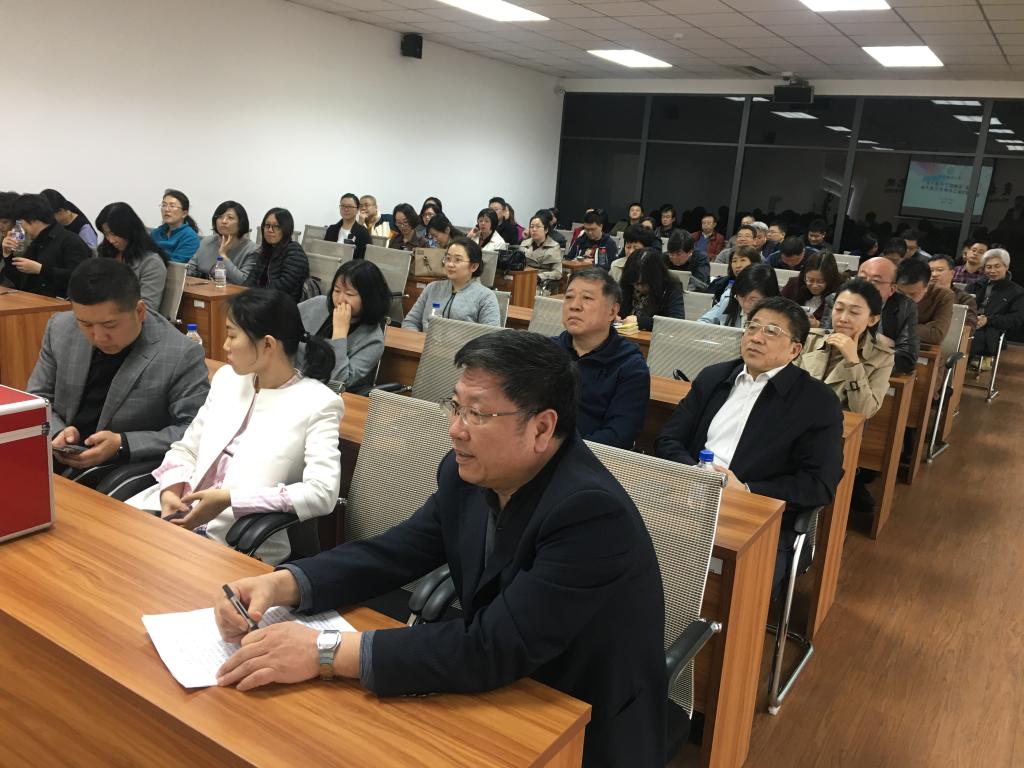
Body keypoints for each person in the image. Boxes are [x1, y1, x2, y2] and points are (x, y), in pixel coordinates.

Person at [213, 330, 667, 765]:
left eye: (477, 414)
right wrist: (283, 583)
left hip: (577, 721)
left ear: (542, 427)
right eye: (455, 406)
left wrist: (323, 652)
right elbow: (395, 552)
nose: (455, 429)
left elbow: (492, 646)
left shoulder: (589, 514)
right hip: (493, 692)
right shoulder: (468, 472)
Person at [129, 289, 343, 566]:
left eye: (232, 335)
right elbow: (186, 449)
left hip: (233, 543)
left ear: (268, 345)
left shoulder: (319, 403)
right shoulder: (228, 379)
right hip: (169, 517)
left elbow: (322, 493)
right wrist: (170, 490)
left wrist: (231, 499)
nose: (225, 346)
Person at [655, 296, 844, 591]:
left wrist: (746, 490)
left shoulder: (817, 402)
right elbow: (668, 439)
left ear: (795, 349)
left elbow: (818, 484)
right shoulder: (714, 377)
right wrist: (696, 474)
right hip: (688, 496)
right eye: (752, 327)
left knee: (720, 587)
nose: (756, 337)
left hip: (757, 517)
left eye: (771, 331)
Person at [27, 259, 209, 476]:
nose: (98, 337)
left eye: (110, 325)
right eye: (86, 324)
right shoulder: (60, 327)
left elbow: (195, 429)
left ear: (140, 311)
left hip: (123, 468)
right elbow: (37, 399)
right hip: (57, 455)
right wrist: (58, 432)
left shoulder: (180, 353)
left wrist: (123, 443)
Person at [554, 268, 650, 448]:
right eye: (569, 297)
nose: (574, 305)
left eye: (587, 298)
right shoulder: (547, 352)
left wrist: (560, 451)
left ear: (612, 311)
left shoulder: (630, 366)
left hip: (588, 458)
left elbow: (619, 435)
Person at [796, 278, 895, 419]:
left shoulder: (882, 358)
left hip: (837, 429)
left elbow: (865, 411)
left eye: (854, 312)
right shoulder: (810, 339)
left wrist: (853, 362)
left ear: (872, 319)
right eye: (838, 309)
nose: (843, 318)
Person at [299, 260, 391, 392]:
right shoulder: (317, 304)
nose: (340, 299)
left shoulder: (373, 341)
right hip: (289, 384)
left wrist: (340, 334)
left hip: (325, 396)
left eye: (349, 294)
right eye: (336, 290)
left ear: (369, 298)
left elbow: (338, 382)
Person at [822, 256, 920, 375]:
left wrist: (865, 364)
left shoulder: (905, 306)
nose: (865, 284)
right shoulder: (838, 299)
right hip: (834, 368)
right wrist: (877, 342)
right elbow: (825, 343)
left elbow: (907, 357)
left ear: (892, 289)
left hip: (877, 373)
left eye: (875, 281)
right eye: (861, 278)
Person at [402, 238, 500, 331]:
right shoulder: (432, 288)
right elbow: (410, 322)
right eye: (448, 258)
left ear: (473, 266)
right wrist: (418, 340)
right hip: (426, 342)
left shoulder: (486, 297)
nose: (450, 264)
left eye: (457, 260)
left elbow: (491, 337)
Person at [1, 193, 90, 297]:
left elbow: (79, 278)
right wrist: (7, 254)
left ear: (33, 219)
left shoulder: (70, 241)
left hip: (61, 303)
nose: (20, 228)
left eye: (21, 223)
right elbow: (19, 281)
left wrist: (40, 270)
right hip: (33, 300)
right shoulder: (35, 242)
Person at [96, 202, 169, 314]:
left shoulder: (151, 263)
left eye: (114, 234)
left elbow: (147, 310)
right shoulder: (105, 253)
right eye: (106, 234)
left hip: (130, 320)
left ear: (129, 230)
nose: (111, 240)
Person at [969, 248, 1024, 370]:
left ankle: (953, 375)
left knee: (968, 342)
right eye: (988, 267)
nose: (992, 271)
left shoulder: (1017, 292)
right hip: (968, 323)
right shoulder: (975, 285)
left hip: (990, 331)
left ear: (1006, 267)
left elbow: (1016, 319)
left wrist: (988, 320)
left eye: (997, 266)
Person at [245, 208, 310, 302]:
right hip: (262, 300)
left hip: (282, 304)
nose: (270, 230)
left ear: (286, 229)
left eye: (276, 226)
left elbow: (284, 286)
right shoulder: (267, 250)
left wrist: (255, 294)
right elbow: (253, 277)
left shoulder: (295, 251)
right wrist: (242, 292)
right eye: (267, 225)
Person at [187, 200, 260, 285]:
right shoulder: (207, 241)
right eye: (220, 217)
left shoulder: (252, 250)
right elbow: (189, 269)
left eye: (230, 218)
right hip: (201, 290)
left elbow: (243, 282)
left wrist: (223, 255)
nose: (224, 221)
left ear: (241, 223)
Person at [620, 248, 685, 331]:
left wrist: (640, 322)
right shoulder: (627, 283)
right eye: (635, 283)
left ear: (655, 279)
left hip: (655, 337)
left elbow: (676, 322)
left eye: (643, 284)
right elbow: (618, 307)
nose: (638, 288)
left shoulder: (671, 286)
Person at [700, 262, 779, 327]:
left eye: (753, 300)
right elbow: (703, 323)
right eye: (741, 297)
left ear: (769, 297)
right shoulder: (729, 298)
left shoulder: (780, 315)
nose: (745, 304)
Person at [895, 258, 953, 345]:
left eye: (912, 294)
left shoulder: (943, 295)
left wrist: (895, 327)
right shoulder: (889, 289)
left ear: (927, 286)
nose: (905, 299)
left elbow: (936, 334)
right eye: (901, 293)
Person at [780, 251, 843, 328]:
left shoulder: (840, 293)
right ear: (804, 276)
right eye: (810, 280)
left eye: (820, 281)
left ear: (830, 279)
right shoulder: (794, 284)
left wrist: (818, 325)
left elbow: (839, 324)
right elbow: (777, 307)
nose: (814, 286)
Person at [929, 254, 978, 331]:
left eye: (940, 270)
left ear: (952, 273)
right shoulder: (919, 294)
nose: (934, 274)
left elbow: (969, 325)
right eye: (931, 270)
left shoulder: (964, 298)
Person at [151, 189, 200, 263]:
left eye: (172, 206)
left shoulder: (190, 237)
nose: (166, 209)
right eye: (164, 205)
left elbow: (177, 264)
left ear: (184, 213)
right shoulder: (156, 233)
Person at [324, 193, 371, 259]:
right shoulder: (331, 229)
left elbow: (365, 258)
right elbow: (324, 252)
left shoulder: (362, 232)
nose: (346, 209)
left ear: (357, 210)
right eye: (343, 206)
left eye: (350, 206)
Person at [522, 211, 562, 284]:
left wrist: (540, 277)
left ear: (546, 230)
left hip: (540, 282)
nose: (534, 229)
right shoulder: (524, 243)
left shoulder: (554, 247)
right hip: (522, 278)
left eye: (538, 227)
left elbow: (558, 273)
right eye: (531, 227)